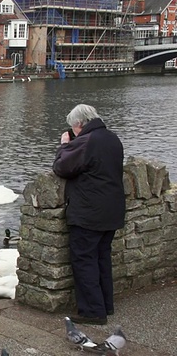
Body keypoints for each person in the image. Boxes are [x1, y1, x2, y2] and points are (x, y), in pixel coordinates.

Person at [52, 104, 125, 325]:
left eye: (73, 127)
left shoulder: (86, 140)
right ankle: (106, 305)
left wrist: (65, 145)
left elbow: (62, 167)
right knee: (102, 257)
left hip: (89, 212)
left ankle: (93, 311)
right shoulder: (112, 138)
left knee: (84, 259)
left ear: (79, 125)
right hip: (111, 210)